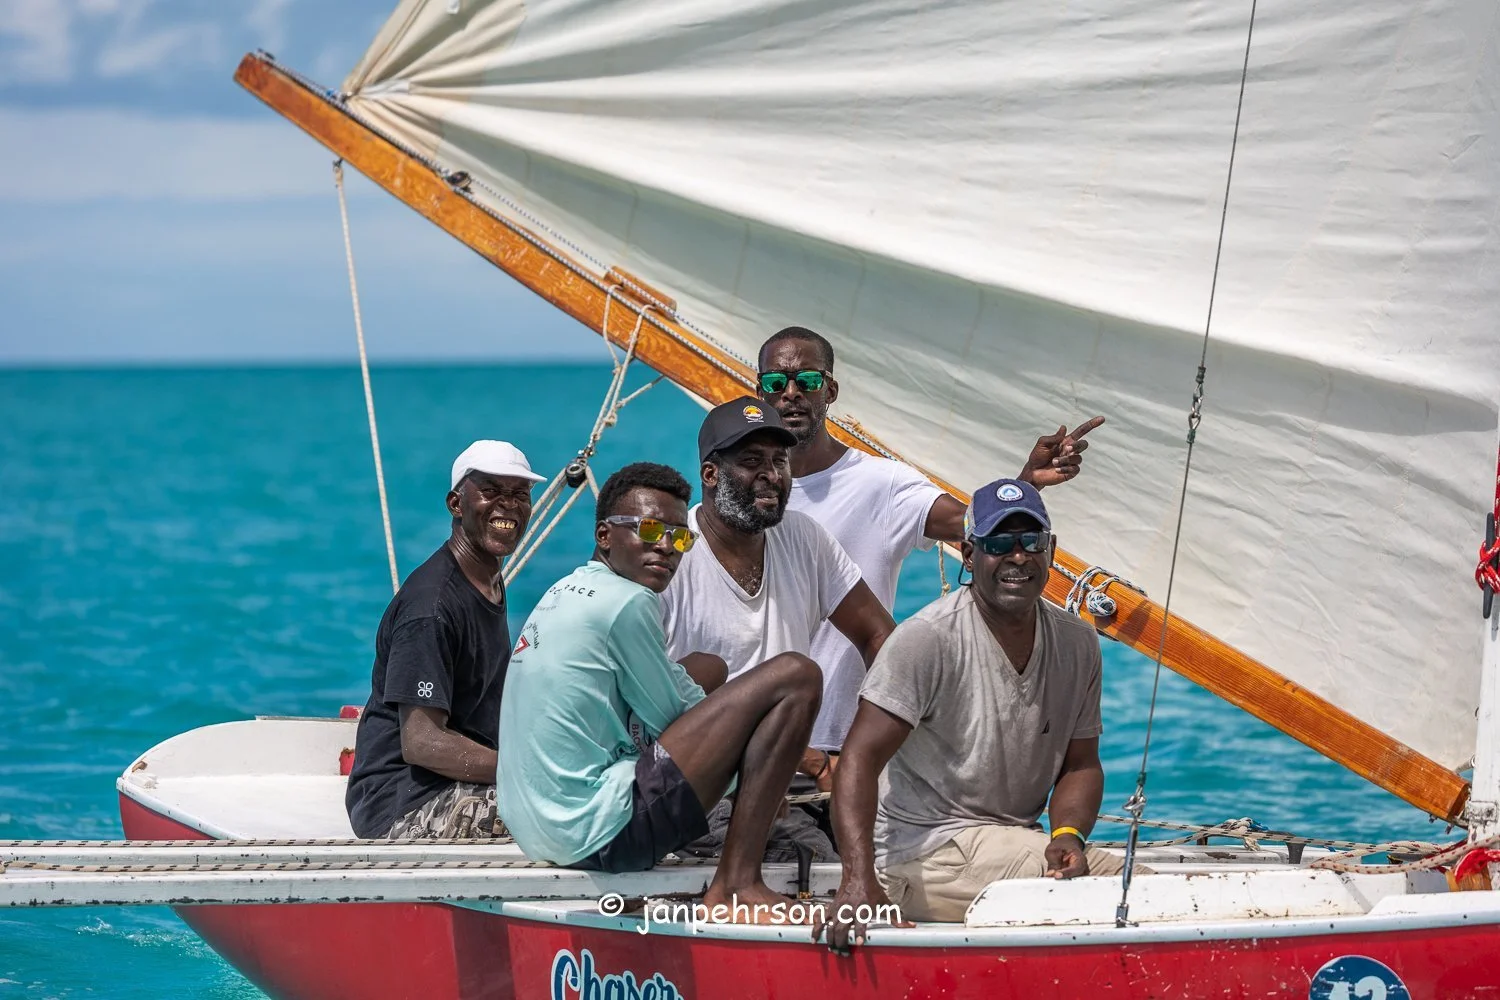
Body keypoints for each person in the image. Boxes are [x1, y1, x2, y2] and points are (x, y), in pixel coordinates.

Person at [756, 325, 1104, 787]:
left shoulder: (881, 484)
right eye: (777, 383)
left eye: (809, 381)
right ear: (758, 390)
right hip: (762, 739)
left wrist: (1026, 483)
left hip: (853, 745)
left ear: (831, 389)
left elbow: (975, 528)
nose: (793, 393)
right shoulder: (744, 496)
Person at [816, 478, 1142, 951]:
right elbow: (859, 760)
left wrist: (1068, 835)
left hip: (1010, 842)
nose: (1018, 556)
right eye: (997, 544)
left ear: (1050, 550)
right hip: (920, 853)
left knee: (1124, 879)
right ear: (969, 555)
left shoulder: (1077, 641)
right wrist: (856, 881)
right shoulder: (927, 638)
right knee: (1139, 888)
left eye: (1031, 541)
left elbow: (1081, 763)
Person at [498, 462, 822, 920]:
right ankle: (737, 884)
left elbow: (682, 701)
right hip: (598, 832)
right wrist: (762, 773)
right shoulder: (629, 603)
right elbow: (675, 718)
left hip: (537, 829)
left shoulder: (568, 588)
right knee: (796, 676)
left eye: (680, 536)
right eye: (649, 530)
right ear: (606, 535)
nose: (667, 547)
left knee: (709, 667)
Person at [658, 398, 896, 796]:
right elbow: (659, 703)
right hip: (703, 784)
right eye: (752, 462)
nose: (771, 475)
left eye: (779, 461)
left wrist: (868, 744)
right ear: (711, 473)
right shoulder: (671, 557)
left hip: (802, 780)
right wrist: (813, 760)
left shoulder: (805, 538)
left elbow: (880, 637)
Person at [345, 440, 543, 840]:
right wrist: (526, 771)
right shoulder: (431, 606)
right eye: (490, 491)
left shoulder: (487, 579)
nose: (508, 505)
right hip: (403, 805)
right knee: (569, 807)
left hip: (460, 787)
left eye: (519, 495)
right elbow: (422, 742)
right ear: (456, 504)